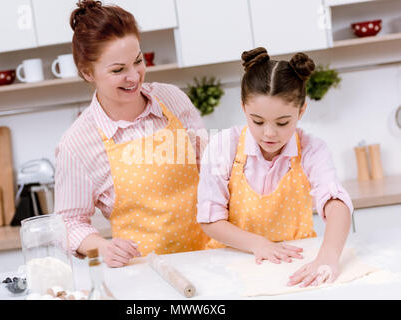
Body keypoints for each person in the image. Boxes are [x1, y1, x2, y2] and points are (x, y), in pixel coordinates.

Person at [54, 0, 208, 267]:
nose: (134, 76)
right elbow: (68, 223)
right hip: (144, 275)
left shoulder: (171, 99)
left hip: (211, 256)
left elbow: (209, 167)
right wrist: (102, 247)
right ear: (88, 73)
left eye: (138, 61)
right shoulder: (77, 143)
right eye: (118, 70)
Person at [196, 47, 354, 287]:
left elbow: (336, 204)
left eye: (283, 122)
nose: (269, 133)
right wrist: (258, 244)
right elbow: (210, 220)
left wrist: (328, 257)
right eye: (257, 121)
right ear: (243, 108)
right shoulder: (223, 147)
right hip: (231, 265)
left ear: (301, 111)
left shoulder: (312, 150)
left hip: (293, 262)